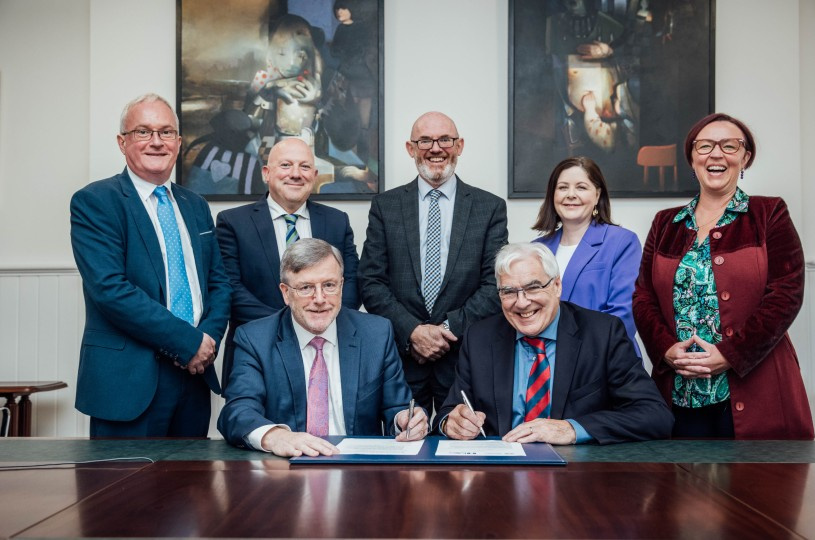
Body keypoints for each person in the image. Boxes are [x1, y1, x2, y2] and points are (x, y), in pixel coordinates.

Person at [633, 113, 814, 439]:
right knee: (678, 488)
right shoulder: (665, 223)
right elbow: (643, 297)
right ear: (692, 158)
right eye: (705, 146)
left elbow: (786, 294)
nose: (716, 154)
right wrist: (665, 350)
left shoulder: (768, 213)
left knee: (760, 490)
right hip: (678, 392)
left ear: (745, 158)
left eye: (729, 146)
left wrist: (730, 355)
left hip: (757, 392)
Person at [70, 93, 232, 437]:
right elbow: (110, 290)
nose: (156, 142)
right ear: (122, 142)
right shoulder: (96, 201)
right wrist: (187, 342)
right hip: (128, 383)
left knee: (191, 489)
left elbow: (218, 284)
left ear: (178, 142)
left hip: (193, 378)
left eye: (166, 132)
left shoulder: (196, 205)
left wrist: (206, 343)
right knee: (121, 490)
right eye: (143, 132)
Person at [435, 243, 672, 444]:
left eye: (533, 287)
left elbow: (654, 415)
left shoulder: (603, 333)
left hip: (578, 476)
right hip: (500, 475)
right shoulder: (479, 338)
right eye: (509, 292)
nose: (522, 302)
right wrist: (451, 423)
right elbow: (449, 411)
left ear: (557, 286)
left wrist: (571, 429)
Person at [219, 239, 428, 457]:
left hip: (359, 471)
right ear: (285, 293)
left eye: (329, 285)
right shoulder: (255, 339)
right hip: (285, 470)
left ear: (341, 285)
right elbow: (237, 412)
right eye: (306, 287)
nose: (319, 299)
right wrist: (277, 436)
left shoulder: (376, 334)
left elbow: (397, 407)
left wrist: (406, 420)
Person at [358, 111, 508, 413]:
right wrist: (413, 331)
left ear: (460, 145)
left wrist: (445, 330)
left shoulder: (489, 207)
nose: (435, 148)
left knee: (463, 449)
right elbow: (371, 281)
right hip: (402, 357)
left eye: (445, 139)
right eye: (425, 140)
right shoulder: (385, 207)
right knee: (404, 449)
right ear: (411, 148)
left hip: (463, 357)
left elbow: (495, 284)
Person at [215, 138, 360, 389]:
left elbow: (353, 283)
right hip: (257, 352)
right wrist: (291, 326)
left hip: (325, 350)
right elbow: (230, 288)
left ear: (314, 175)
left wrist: (318, 324)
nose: (295, 174)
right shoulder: (233, 222)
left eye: (304, 167)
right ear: (266, 173)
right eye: (286, 165)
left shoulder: (337, 221)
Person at [532, 156, 641, 354]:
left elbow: (623, 315)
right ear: (552, 195)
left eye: (581, 187)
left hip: (604, 358)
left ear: (598, 195)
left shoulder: (621, 242)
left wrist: (576, 353)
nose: (571, 195)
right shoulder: (537, 249)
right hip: (547, 359)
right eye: (563, 187)